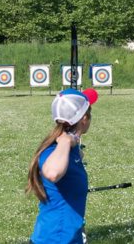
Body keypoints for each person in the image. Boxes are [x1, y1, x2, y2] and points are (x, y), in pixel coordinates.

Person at [26, 87, 98, 244]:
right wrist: (66, 141)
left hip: (70, 237)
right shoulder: (56, 149)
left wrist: (74, 146)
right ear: (84, 119)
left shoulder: (69, 149)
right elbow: (52, 172)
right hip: (54, 239)